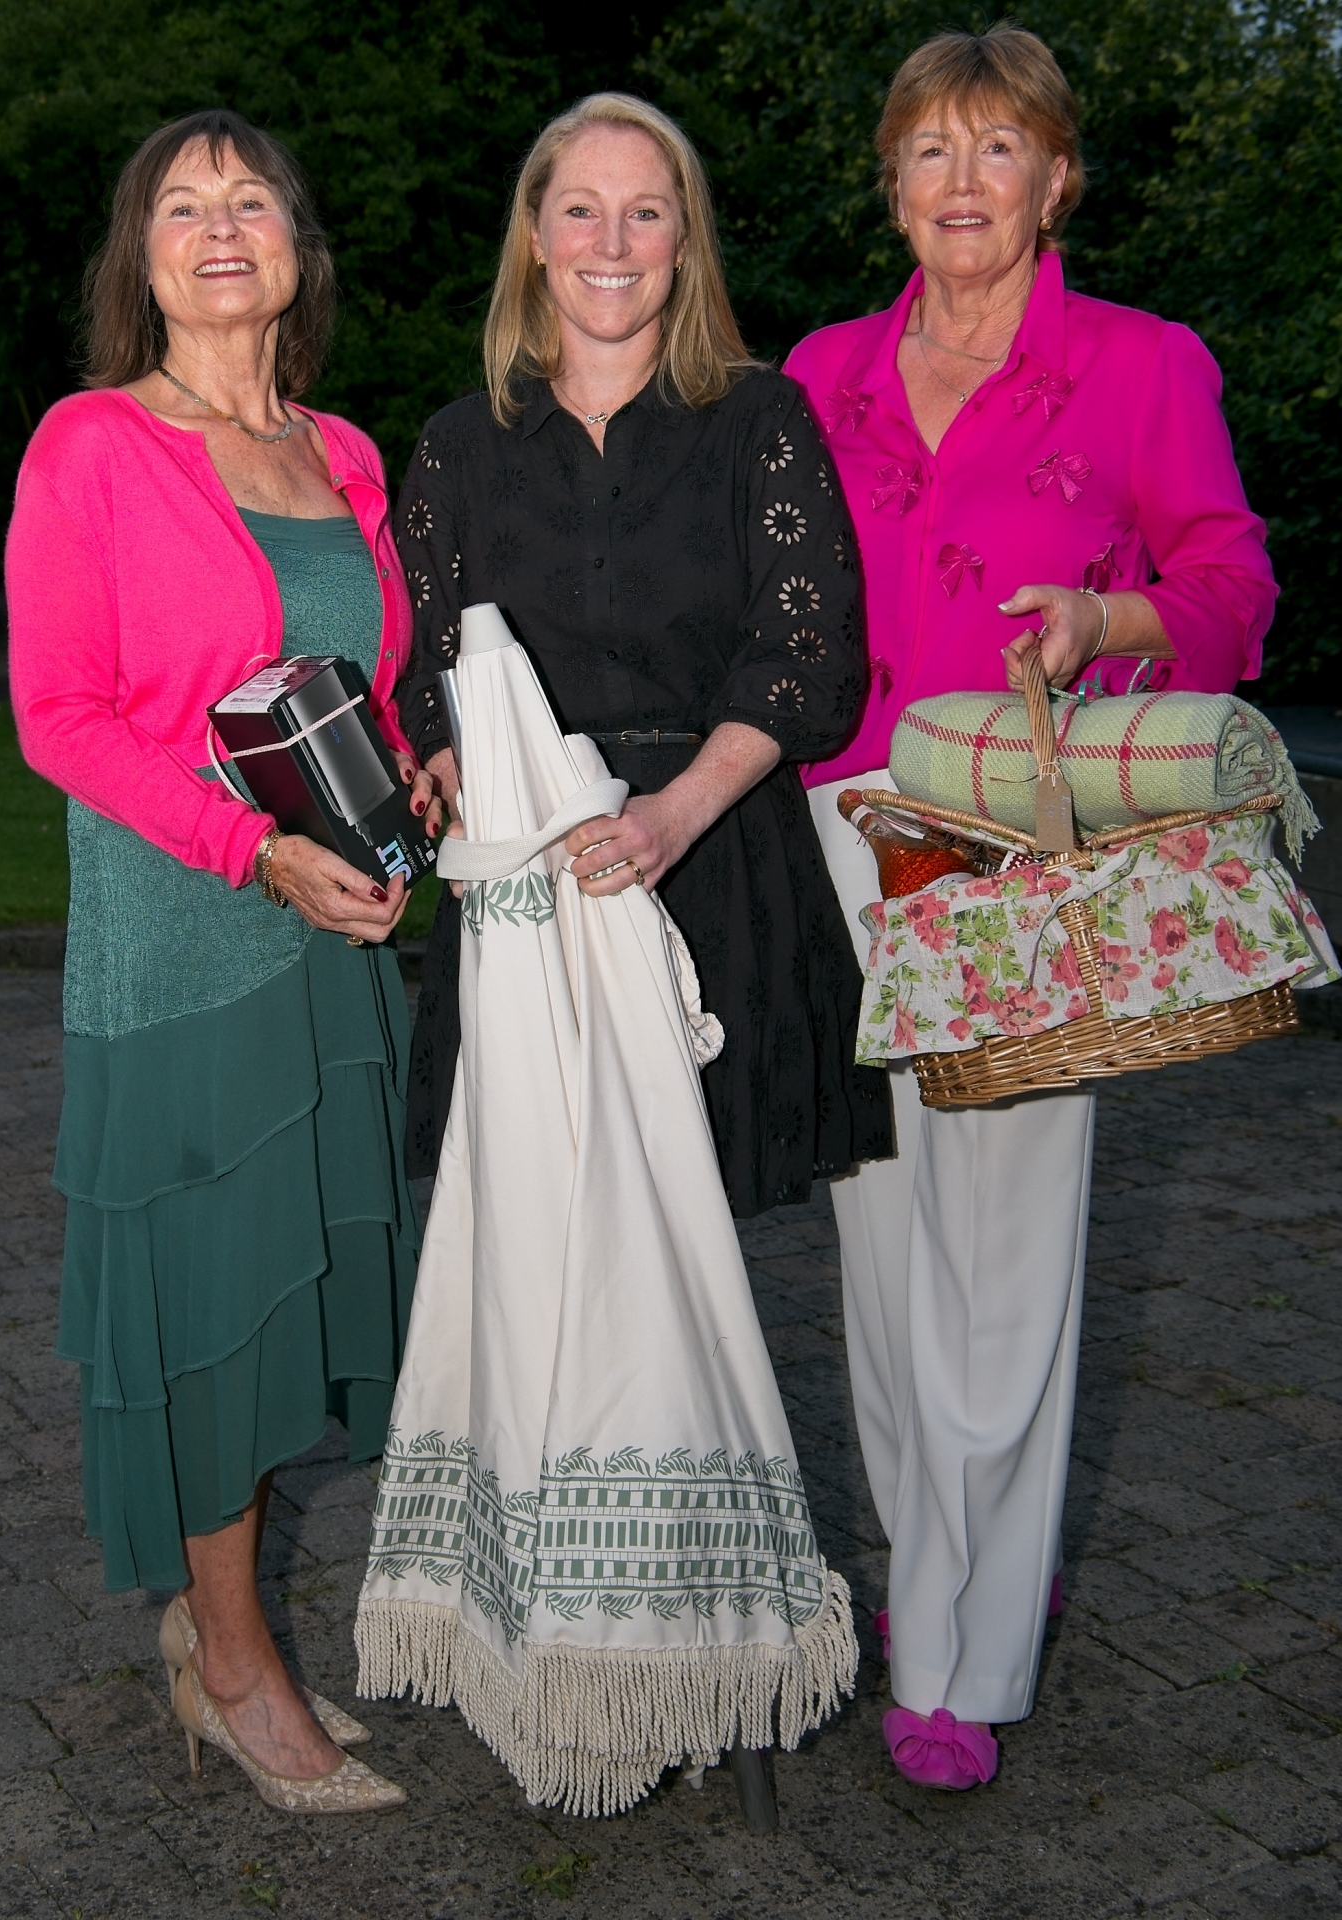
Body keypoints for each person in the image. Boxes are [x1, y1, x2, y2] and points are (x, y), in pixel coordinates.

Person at [784, 26, 1276, 1789]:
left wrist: (1101, 619)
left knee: (997, 1243)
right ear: (891, 185)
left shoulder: (1140, 364)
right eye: (929, 149)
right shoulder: (820, 372)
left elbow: (1230, 585)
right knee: (877, 1235)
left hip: (1017, 844)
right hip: (841, 833)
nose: (961, 182)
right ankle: (953, 1551)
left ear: (1056, 179)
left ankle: (959, 1654)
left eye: (997, 148)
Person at [6, 109, 419, 1814]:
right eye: (183, 205)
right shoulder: (92, 444)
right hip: (187, 946)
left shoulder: (346, 453)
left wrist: (411, 780)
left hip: (336, 943)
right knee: (215, 1318)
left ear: (297, 250)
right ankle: (233, 1665)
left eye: (251, 197)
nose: (222, 224)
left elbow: (358, 682)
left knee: (291, 1303)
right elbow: (59, 717)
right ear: (145, 260)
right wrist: (252, 851)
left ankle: (220, 1627)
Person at [399, 91, 892, 1220]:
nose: (611, 244)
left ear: (684, 240)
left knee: (695, 1256)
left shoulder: (762, 421)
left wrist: (674, 815)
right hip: (530, 884)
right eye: (580, 210)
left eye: (645, 212)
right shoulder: (455, 448)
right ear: (535, 236)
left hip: (714, 858)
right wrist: (469, 788)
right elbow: (429, 678)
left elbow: (807, 657)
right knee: (538, 1238)